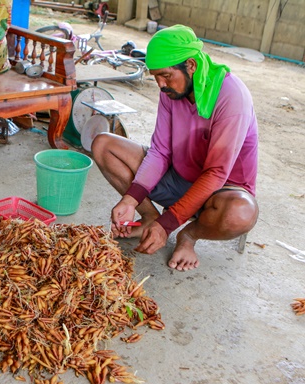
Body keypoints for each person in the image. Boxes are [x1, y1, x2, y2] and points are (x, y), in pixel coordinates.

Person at [92, 25, 259, 271]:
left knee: (241, 213)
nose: (160, 84)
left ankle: (189, 236)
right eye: (155, 76)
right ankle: (150, 218)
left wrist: (168, 225)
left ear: (191, 65)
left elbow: (215, 173)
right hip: (180, 177)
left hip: (221, 191)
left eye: (166, 76)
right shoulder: (171, 92)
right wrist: (130, 200)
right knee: (104, 144)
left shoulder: (231, 95)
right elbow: (160, 151)